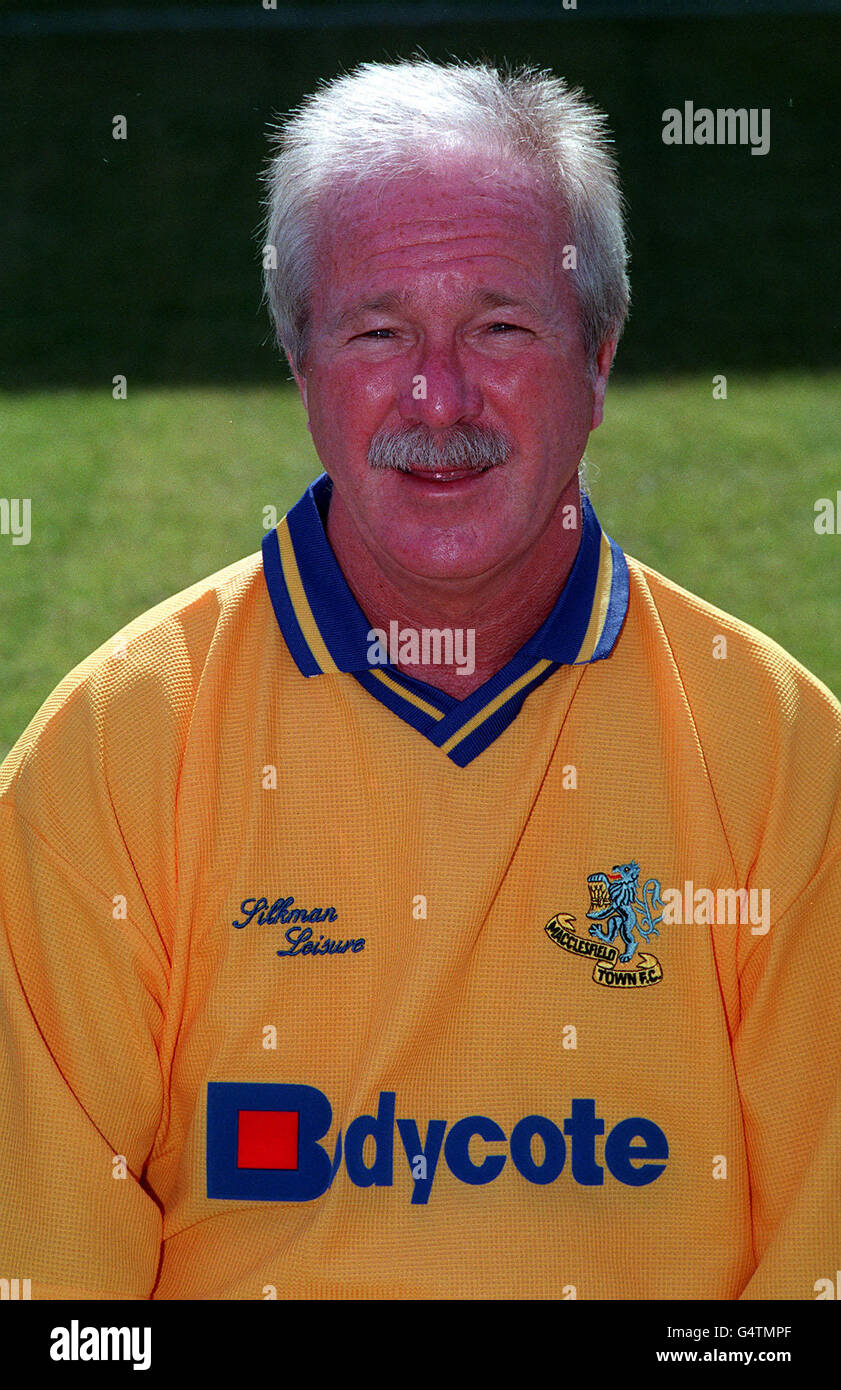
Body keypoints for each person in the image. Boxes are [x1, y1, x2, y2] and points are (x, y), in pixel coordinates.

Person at [1, 57, 839, 1302]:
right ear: (300, 366)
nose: (437, 398)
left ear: (599, 360)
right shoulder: (109, 753)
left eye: (500, 327)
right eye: (377, 331)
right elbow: (58, 1307)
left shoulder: (782, 754)